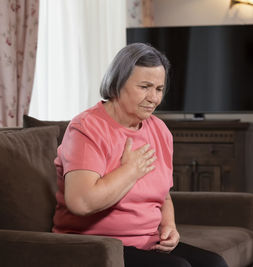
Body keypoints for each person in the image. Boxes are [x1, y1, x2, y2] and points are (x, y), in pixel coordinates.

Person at [52, 43, 228, 267]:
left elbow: (163, 196)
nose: (153, 98)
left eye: (159, 89)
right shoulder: (87, 127)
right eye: (145, 86)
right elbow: (81, 202)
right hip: (96, 245)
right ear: (117, 84)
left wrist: (169, 226)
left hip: (147, 243)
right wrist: (130, 171)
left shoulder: (159, 130)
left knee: (215, 264)